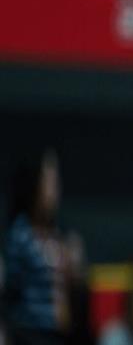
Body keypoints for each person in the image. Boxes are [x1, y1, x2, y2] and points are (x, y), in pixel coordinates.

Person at [4, 148, 70, 345]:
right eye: (49, 182)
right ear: (34, 185)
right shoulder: (20, 235)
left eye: (56, 182)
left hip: (58, 335)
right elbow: (10, 293)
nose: (55, 191)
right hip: (29, 335)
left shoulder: (58, 235)